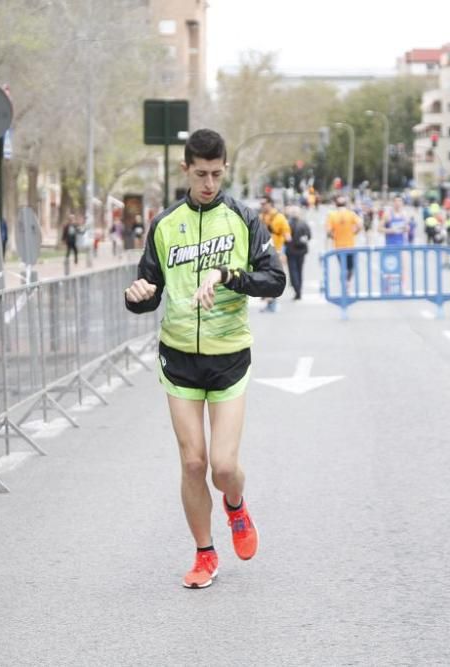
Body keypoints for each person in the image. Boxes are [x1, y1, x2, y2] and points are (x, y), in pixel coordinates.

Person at [123, 128, 285, 590]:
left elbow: (275, 281)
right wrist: (137, 296)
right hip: (178, 357)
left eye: (216, 174)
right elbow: (147, 291)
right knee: (193, 463)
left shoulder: (243, 219)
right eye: (200, 174)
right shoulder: (164, 223)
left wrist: (230, 274)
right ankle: (204, 554)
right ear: (185, 170)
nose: (209, 183)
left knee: (223, 466)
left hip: (229, 355)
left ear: (225, 169)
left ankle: (235, 506)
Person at [259, 196, 291, 312]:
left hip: (277, 251)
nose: (261, 206)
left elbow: (288, 236)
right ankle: (270, 301)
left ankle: (271, 301)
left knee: (273, 277)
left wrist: (284, 252)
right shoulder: (261, 217)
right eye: (261, 204)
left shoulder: (280, 218)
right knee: (267, 277)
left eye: (263, 203)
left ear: (270, 204)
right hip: (264, 252)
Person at [326, 196, 361, 283]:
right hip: (350, 245)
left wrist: (333, 236)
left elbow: (328, 231)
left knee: (343, 266)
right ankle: (347, 281)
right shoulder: (351, 214)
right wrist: (355, 232)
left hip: (338, 246)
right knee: (350, 266)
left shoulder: (332, 215)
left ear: (336, 205)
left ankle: (344, 281)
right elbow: (360, 224)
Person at [285, 205, 311, 300]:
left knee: (293, 271)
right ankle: (299, 289)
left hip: (291, 250)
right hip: (302, 250)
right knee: (300, 270)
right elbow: (309, 235)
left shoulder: (288, 224)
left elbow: (286, 237)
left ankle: (297, 289)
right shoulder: (304, 223)